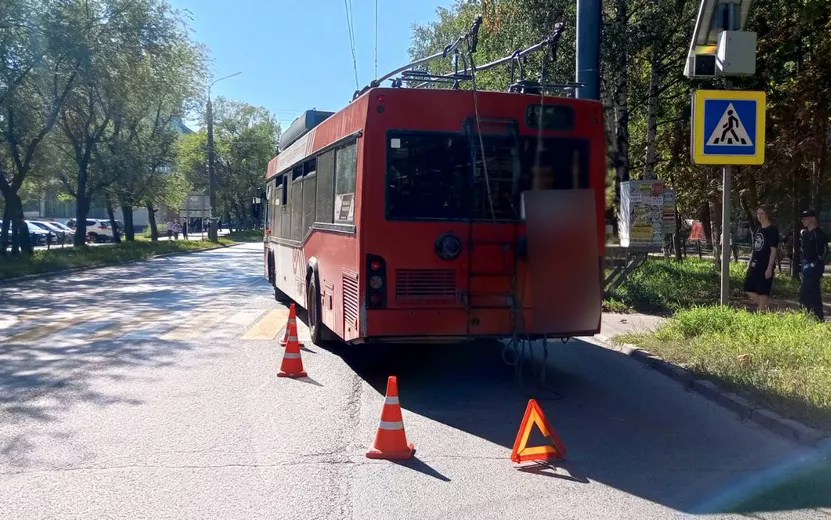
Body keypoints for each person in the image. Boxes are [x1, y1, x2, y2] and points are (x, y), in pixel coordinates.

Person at [743, 205, 779, 312]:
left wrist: (769, 267)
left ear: (767, 214)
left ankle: (763, 312)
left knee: (762, 291)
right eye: (758, 214)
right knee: (747, 287)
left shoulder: (772, 230)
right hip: (755, 263)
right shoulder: (758, 230)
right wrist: (749, 262)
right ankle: (766, 308)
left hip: (765, 264)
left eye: (761, 213)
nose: (759, 216)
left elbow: (773, 250)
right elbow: (755, 248)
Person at [799, 209, 827, 321]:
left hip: (814, 267)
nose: (803, 220)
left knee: (807, 292)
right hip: (806, 267)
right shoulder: (806, 234)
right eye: (802, 218)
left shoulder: (818, 233)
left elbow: (824, 252)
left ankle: (814, 317)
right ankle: (814, 317)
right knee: (810, 292)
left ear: (813, 219)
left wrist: (815, 264)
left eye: (805, 218)